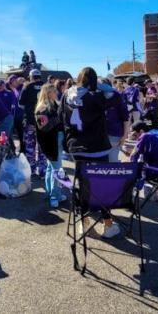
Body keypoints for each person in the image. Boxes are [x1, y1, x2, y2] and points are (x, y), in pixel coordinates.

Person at [60, 67, 120, 238]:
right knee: (102, 186)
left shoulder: (66, 95)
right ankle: (107, 224)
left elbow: (61, 117)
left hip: (77, 148)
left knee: (83, 185)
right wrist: (104, 88)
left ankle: (84, 222)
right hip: (98, 148)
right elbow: (116, 99)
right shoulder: (97, 96)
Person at [35, 84, 65, 208]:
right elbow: (44, 127)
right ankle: (54, 195)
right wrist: (59, 117)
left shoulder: (54, 104)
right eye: (54, 91)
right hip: (51, 141)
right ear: (48, 93)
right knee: (57, 169)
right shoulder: (41, 108)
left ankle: (51, 193)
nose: (56, 93)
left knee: (51, 167)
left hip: (57, 139)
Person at [19, 69, 48, 174]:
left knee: (30, 146)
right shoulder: (46, 86)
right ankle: (42, 169)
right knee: (43, 146)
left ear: (31, 76)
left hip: (31, 121)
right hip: (44, 123)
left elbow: (20, 104)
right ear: (40, 76)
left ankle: (30, 168)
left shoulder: (27, 86)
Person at [102, 78, 129, 161]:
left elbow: (125, 117)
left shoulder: (116, 96)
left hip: (114, 134)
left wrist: (125, 135)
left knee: (112, 162)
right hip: (101, 135)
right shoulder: (98, 97)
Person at [8, 75, 25, 154]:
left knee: (21, 134)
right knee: (9, 134)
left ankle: (23, 150)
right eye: (11, 82)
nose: (12, 83)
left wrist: (14, 88)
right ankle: (12, 149)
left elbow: (19, 97)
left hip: (20, 116)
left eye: (14, 81)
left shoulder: (22, 88)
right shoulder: (11, 90)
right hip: (12, 116)